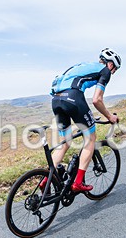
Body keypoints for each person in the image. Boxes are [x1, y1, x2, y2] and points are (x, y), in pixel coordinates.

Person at [49, 49, 121, 192]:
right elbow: (97, 100)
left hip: (56, 100)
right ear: (111, 64)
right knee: (90, 138)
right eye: (115, 69)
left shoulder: (82, 66)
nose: (113, 73)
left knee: (65, 143)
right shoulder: (104, 71)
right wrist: (110, 117)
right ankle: (78, 182)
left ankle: (47, 178)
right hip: (73, 98)